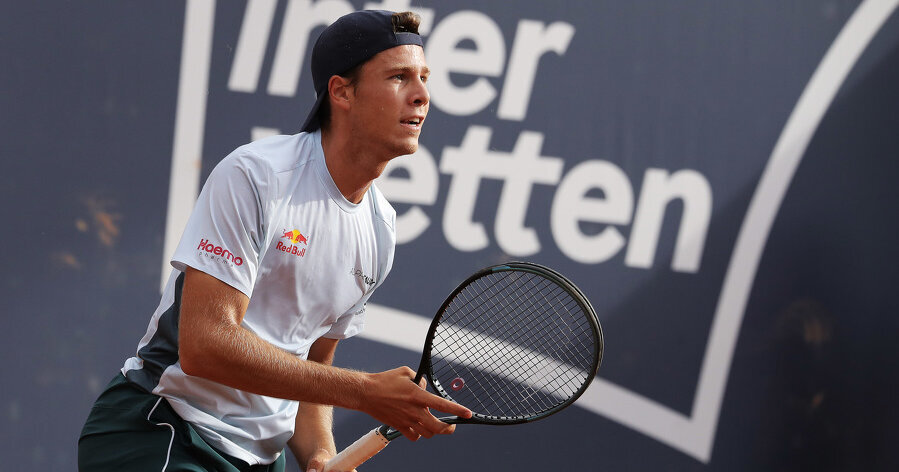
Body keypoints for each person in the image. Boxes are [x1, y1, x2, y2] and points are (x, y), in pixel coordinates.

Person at [79, 10, 471, 472]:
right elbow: (205, 345)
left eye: (424, 77)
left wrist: (322, 454)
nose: (422, 95)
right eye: (399, 77)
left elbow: (313, 375)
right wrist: (366, 391)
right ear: (341, 91)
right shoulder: (258, 176)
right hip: (163, 431)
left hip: (260, 460)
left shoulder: (380, 230)